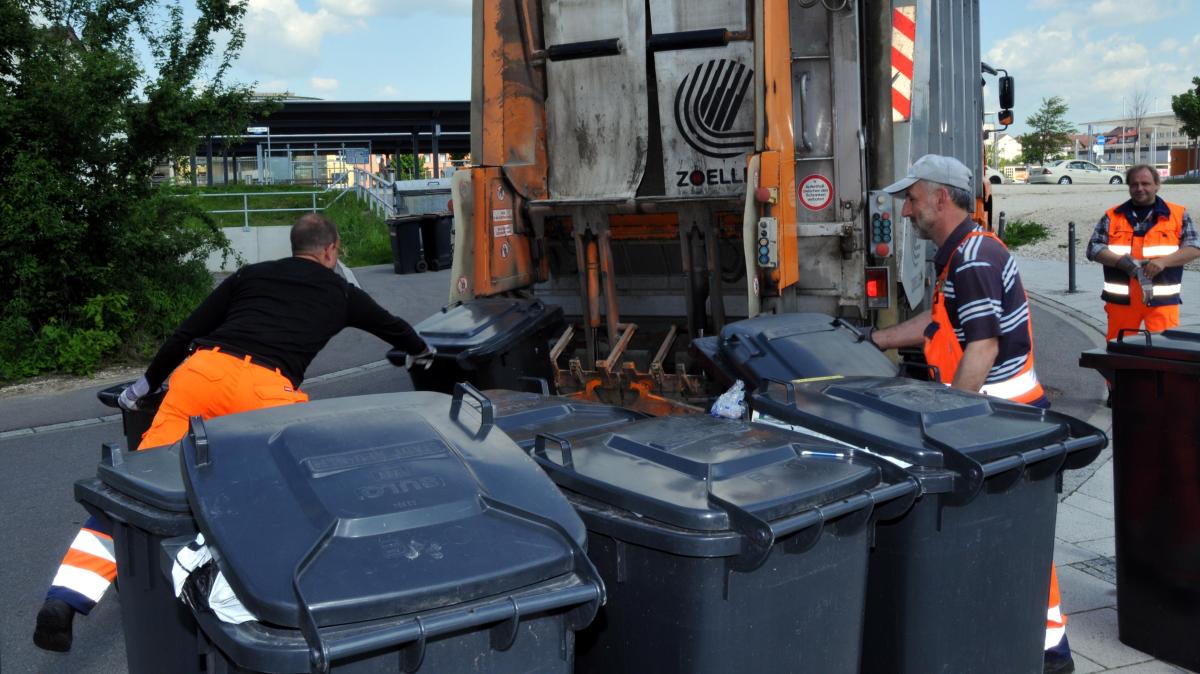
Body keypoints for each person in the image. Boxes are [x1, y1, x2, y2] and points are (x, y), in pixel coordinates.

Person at [33, 213, 434, 652]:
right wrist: (421, 352)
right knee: (284, 495)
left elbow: (187, 332)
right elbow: (393, 327)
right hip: (265, 392)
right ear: (331, 250)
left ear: (294, 245)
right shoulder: (341, 291)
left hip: (201, 373)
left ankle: (65, 601)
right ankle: (270, 603)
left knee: (133, 492)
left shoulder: (250, 275)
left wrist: (140, 389)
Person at [866, 154, 1072, 674]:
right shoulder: (961, 256)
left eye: (912, 198)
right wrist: (873, 340)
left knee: (1018, 538)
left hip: (1001, 422)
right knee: (1010, 534)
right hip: (1000, 418)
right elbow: (937, 327)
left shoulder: (975, 258)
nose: (906, 210)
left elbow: (981, 349)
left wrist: (948, 428)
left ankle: (1050, 654)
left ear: (940, 197)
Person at [1086, 164, 1199, 341]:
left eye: (1145, 183)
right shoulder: (1113, 215)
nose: (1139, 188)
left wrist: (1163, 262)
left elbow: (1194, 248)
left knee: (1165, 353)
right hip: (1122, 301)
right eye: (1134, 184)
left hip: (1162, 301)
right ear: (1129, 187)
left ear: (1157, 184)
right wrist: (1121, 262)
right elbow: (1093, 248)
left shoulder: (1177, 214)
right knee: (1119, 353)